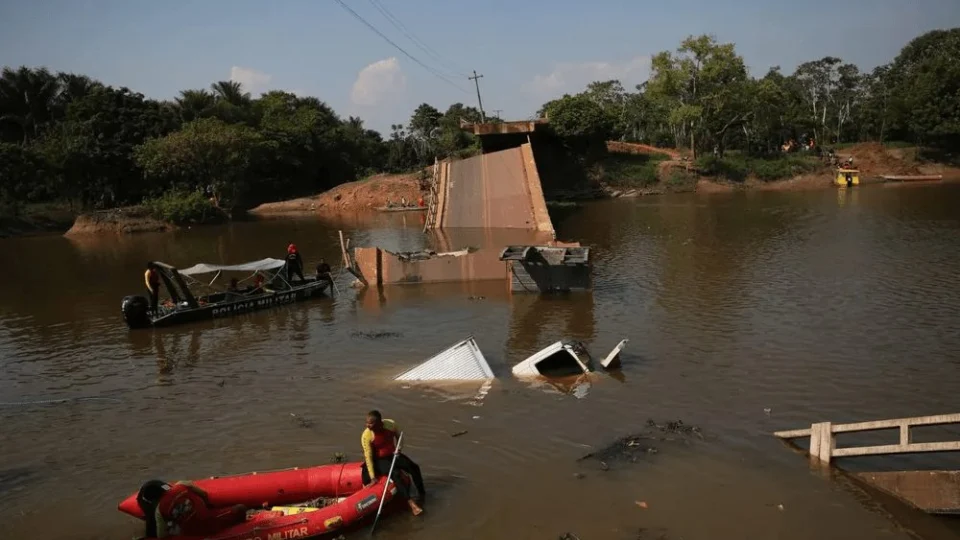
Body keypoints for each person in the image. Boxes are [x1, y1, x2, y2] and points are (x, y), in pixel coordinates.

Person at [361, 410, 426, 515]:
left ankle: (422, 493)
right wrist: (372, 477)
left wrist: (399, 449)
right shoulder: (367, 435)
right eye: (366, 423)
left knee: (414, 467)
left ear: (379, 423)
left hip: (393, 455)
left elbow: (399, 436)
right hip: (378, 460)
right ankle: (411, 504)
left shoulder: (390, 424)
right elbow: (368, 457)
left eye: (370, 423)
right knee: (395, 474)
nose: (367, 425)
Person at [137, 480, 246, 538]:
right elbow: (203, 494)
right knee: (241, 508)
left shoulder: (158, 511)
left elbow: (162, 536)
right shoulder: (182, 485)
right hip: (211, 522)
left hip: (190, 532)